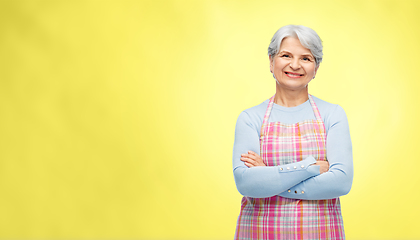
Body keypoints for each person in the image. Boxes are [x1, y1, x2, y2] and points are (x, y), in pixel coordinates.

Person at [232, 25, 353, 240]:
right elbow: (247, 183)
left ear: (316, 68)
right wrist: (309, 167)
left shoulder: (332, 114)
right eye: (286, 55)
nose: (295, 65)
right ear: (271, 62)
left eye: (306, 58)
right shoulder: (250, 118)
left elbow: (341, 182)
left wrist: (269, 178)